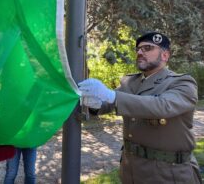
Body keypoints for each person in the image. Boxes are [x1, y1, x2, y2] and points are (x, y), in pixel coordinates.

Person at [79, 32, 202, 184]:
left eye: (147, 48)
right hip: (131, 170)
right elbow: (110, 103)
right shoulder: (131, 82)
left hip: (168, 173)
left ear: (165, 55)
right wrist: (96, 104)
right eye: (138, 49)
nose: (139, 52)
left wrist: (111, 95)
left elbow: (162, 106)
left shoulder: (182, 83)